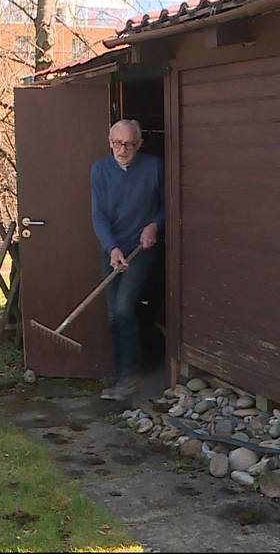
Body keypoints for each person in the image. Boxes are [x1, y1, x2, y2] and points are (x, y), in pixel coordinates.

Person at [90, 119, 164, 401]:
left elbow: (167, 205)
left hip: (141, 249)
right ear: (109, 143)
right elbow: (99, 216)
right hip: (113, 249)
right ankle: (122, 374)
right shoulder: (99, 170)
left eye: (129, 144)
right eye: (117, 144)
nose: (123, 149)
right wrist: (111, 248)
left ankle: (129, 377)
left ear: (139, 144)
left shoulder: (153, 167)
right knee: (113, 315)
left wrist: (155, 225)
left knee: (123, 309)